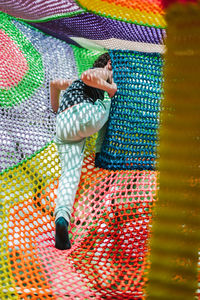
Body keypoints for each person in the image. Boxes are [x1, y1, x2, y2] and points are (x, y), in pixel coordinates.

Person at [50, 53, 117, 250]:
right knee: (111, 104)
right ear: (109, 63)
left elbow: (54, 83)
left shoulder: (73, 83)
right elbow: (89, 76)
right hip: (84, 115)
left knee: (69, 176)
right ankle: (99, 152)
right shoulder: (104, 71)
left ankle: (62, 217)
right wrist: (110, 88)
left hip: (63, 124)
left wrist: (55, 108)